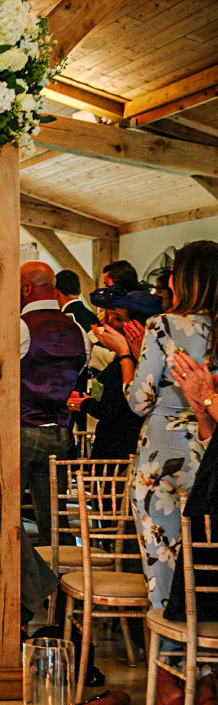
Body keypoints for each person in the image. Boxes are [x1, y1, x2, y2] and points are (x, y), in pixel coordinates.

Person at [97, 240, 218, 609]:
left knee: (162, 570)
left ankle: (168, 657)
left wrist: (126, 356)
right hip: (209, 454)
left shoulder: (163, 325)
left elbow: (138, 402)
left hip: (160, 458)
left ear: (182, 280)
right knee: (205, 566)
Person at [18, 261, 91, 623]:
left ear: (27, 289)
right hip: (62, 437)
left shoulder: (19, 327)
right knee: (55, 525)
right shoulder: (78, 330)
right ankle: (61, 611)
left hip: (21, 432)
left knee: (7, 517)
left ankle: (22, 599)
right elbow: (77, 377)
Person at [67, 287, 160, 461]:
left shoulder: (138, 361)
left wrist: (85, 403)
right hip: (110, 445)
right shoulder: (123, 358)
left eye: (117, 319)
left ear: (136, 327)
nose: (108, 323)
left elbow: (117, 408)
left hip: (121, 452)